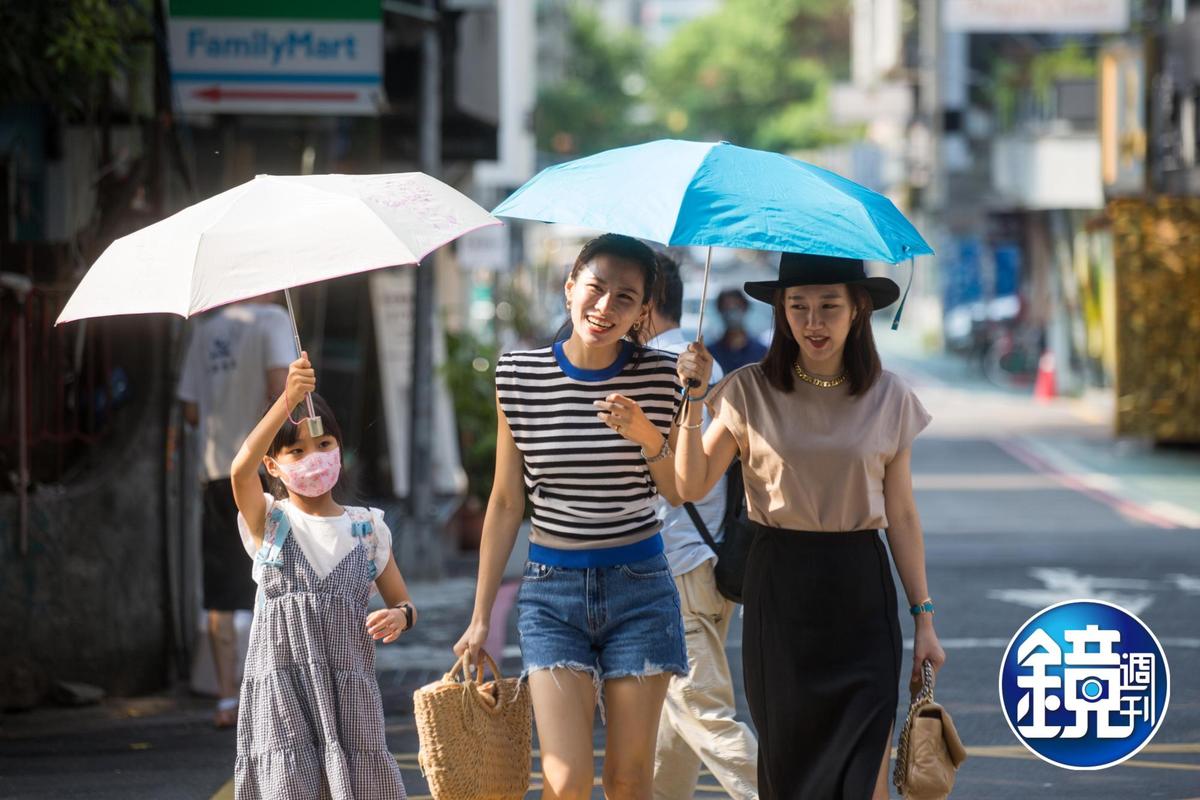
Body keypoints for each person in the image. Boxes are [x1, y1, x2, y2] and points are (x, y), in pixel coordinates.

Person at [674, 252, 946, 800]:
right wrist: (694, 397)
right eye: (798, 307)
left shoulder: (889, 396)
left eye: (828, 306)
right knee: (792, 776)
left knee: (863, 774)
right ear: (780, 311)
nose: (813, 323)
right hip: (781, 594)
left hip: (861, 596)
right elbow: (689, 484)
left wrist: (924, 619)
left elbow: (903, 514)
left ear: (859, 309)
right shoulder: (748, 390)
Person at [454, 233, 688, 800]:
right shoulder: (518, 375)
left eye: (626, 298)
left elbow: (677, 490)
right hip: (550, 593)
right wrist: (482, 615)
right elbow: (507, 501)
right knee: (564, 780)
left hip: (641, 590)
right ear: (570, 290)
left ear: (641, 312)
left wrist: (647, 433)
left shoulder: (663, 378)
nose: (606, 307)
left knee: (630, 781)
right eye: (597, 289)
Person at [230, 353, 414, 799]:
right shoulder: (269, 522)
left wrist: (401, 618)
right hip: (282, 692)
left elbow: (403, 602)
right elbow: (239, 470)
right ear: (273, 466)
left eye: (325, 445)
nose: (314, 458)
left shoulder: (368, 528)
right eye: (296, 451)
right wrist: (287, 400)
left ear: (341, 449)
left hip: (348, 694)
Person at [642, 254, 759, 800]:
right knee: (673, 731)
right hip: (714, 560)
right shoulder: (705, 368)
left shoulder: (652, 371)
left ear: (644, 305)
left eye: (623, 294)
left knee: (704, 715)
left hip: (674, 568)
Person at [177, 296, 295, 727]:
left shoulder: (204, 331)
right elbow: (283, 390)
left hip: (216, 472)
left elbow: (190, 409)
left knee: (222, 589)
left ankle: (228, 698)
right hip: (266, 470)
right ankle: (275, 694)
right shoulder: (273, 320)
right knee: (278, 575)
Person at [708, 289, 767, 374]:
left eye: (736, 306)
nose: (732, 312)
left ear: (745, 308)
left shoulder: (762, 352)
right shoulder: (710, 354)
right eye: (726, 307)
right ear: (719, 311)